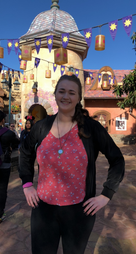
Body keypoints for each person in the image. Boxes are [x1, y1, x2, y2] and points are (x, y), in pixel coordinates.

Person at [19, 75, 125, 254]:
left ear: (78, 98)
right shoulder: (41, 127)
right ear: (55, 94)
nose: (65, 96)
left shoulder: (91, 128)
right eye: (61, 91)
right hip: (43, 210)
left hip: (79, 212)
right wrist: (27, 184)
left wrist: (106, 194)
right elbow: (25, 152)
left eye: (71, 92)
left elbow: (117, 160)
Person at [0, 110, 20, 225]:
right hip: (4, 163)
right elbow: (17, 144)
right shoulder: (9, 133)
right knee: (2, 189)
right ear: (3, 120)